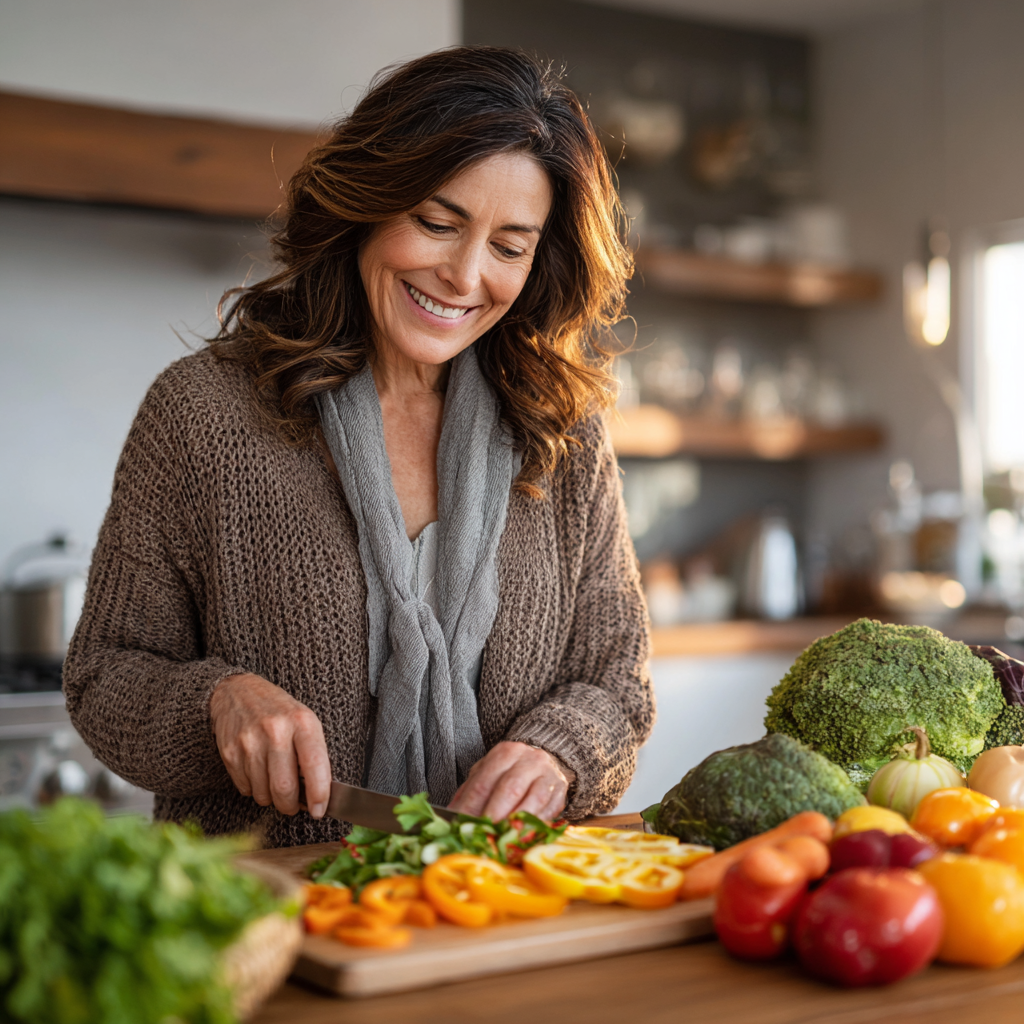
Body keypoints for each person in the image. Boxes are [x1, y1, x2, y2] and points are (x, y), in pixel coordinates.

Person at [64, 46, 654, 847]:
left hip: (501, 914)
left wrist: (560, 754)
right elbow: (106, 677)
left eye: (508, 247)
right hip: (269, 919)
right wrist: (218, 701)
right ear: (368, 202)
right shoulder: (201, 415)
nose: (464, 275)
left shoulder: (560, 431)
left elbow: (617, 682)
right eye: (437, 224)